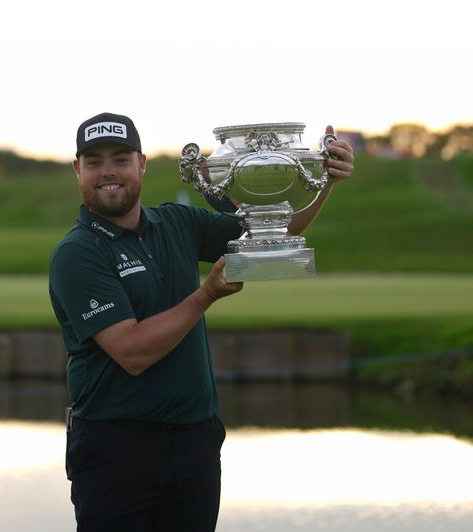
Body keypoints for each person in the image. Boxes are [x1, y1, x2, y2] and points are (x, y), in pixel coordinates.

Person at [48, 112, 354, 531]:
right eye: (94, 161)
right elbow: (132, 351)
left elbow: (272, 233)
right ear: (77, 170)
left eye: (120, 159)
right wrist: (206, 294)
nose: (108, 172)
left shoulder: (177, 222)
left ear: (141, 164)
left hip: (195, 442)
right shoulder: (77, 253)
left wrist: (322, 182)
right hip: (115, 447)